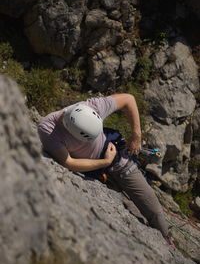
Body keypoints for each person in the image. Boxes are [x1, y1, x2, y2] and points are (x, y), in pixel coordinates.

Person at [38, 93, 175, 248]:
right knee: (132, 207)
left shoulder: (92, 107)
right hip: (99, 168)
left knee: (154, 209)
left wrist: (136, 135)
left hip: (119, 163)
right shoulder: (48, 129)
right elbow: (69, 162)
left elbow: (129, 99)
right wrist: (105, 161)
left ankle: (167, 240)